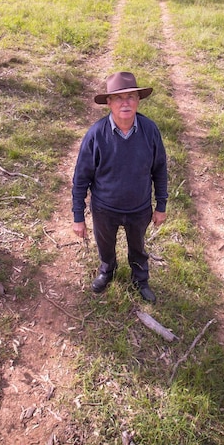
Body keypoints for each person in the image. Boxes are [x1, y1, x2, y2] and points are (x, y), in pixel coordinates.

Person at [72, 71, 168, 303]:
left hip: (139, 207)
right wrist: (78, 216)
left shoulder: (150, 130)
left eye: (131, 97)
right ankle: (107, 270)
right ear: (109, 103)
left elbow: (160, 169)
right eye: (118, 98)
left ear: (138, 100)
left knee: (138, 246)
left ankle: (140, 279)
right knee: (105, 244)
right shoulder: (95, 135)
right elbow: (80, 178)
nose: (125, 102)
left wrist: (161, 205)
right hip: (105, 208)